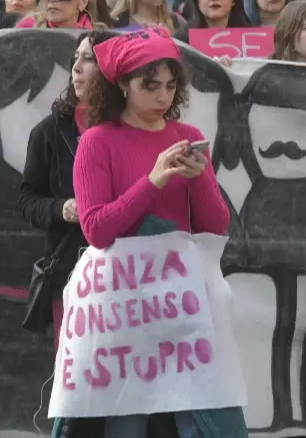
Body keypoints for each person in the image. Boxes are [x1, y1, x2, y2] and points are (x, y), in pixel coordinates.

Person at [72, 27, 239, 437]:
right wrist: (153, 180)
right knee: (127, 419)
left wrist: (200, 179)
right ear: (123, 85)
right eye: (151, 86)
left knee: (197, 415)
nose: (163, 97)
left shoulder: (189, 138)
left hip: (180, 303)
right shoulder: (96, 142)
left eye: (170, 86)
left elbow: (215, 227)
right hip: (122, 307)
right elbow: (96, 230)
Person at [18, 31, 112, 349]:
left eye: (90, 59)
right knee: (75, 373)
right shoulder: (48, 132)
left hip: (124, 272)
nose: (77, 67)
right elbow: (28, 199)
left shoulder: (130, 128)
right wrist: (62, 208)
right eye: (76, 58)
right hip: (71, 272)